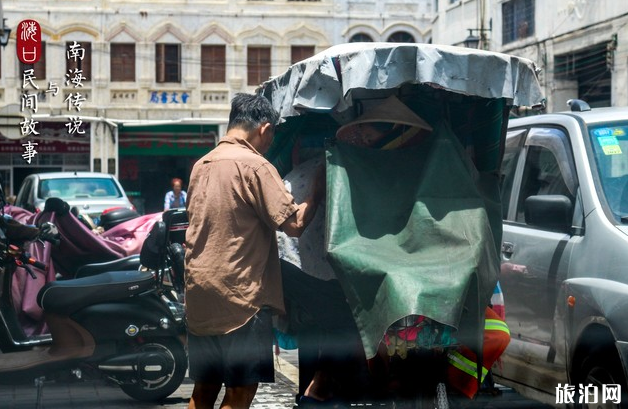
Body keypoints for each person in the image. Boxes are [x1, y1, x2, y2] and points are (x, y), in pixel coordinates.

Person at [184, 93, 324, 409]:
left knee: (204, 390)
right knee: (241, 391)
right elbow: (295, 224)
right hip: (240, 298)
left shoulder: (201, 164)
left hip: (200, 295)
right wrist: (316, 192)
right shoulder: (256, 166)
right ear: (264, 129)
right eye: (272, 133)